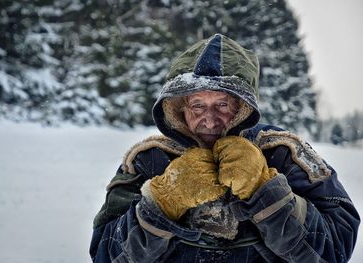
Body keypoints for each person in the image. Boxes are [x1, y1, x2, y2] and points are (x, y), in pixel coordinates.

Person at [89, 33, 360, 262]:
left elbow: (336, 248)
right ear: (179, 109)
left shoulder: (285, 152)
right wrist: (161, 202)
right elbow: (104, 253)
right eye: (198, 105)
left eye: (222, 104)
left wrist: (266, 189)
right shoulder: (149, 159)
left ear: (244, 108)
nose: (209, 119)